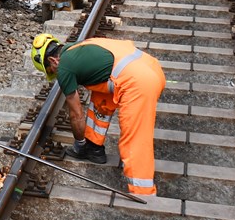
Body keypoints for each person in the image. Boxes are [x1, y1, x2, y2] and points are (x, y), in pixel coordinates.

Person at [30, 34, 166, 197]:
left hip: (140, 83)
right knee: (100, 97)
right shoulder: (81, 47)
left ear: (53, 61)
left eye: (52, 71)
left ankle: (143, 193)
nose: (55, 74)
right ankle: (94, 147)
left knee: (134, 140)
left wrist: (79, 143)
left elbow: (76, 114)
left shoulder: (64, 66)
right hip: (150, 67)